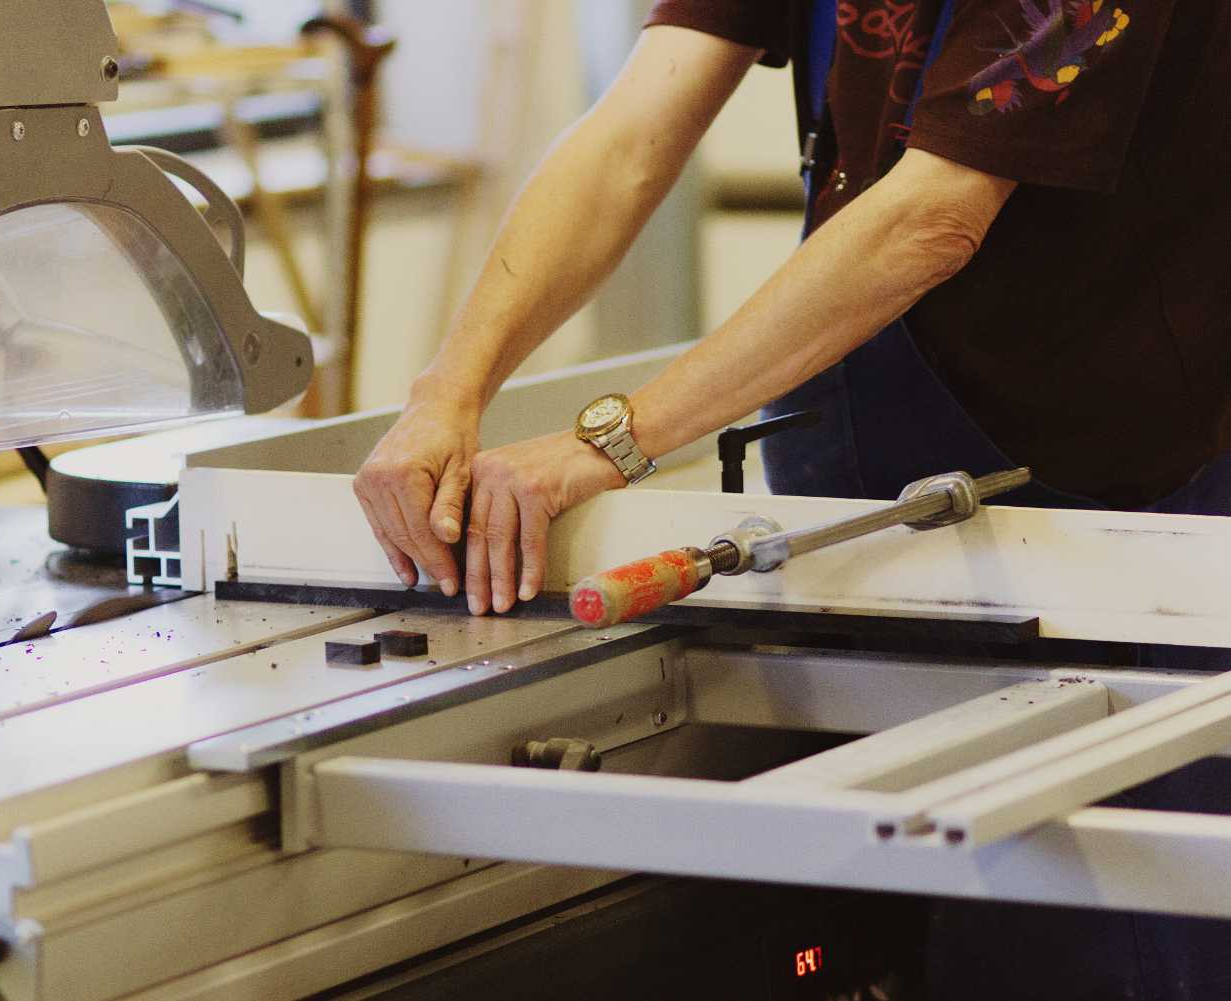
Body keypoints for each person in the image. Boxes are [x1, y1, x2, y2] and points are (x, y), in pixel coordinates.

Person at [357, 2, 1230, 995]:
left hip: (1111, 526)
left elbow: (933, 218)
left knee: (1106, 939)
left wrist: (609, 442)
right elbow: (631, 135)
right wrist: (447, 390)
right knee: (893, 937)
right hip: (866, 519)